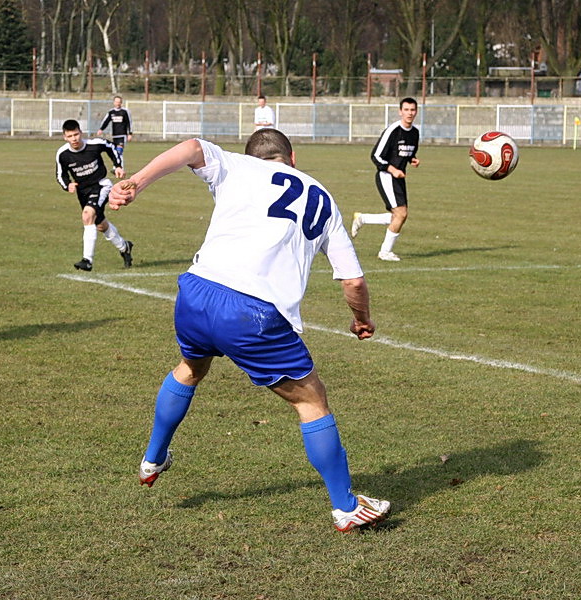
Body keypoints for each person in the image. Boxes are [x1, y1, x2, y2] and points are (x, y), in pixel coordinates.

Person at [108, 129, 391, 532]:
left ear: (252, 155)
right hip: (252, 312)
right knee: (312, 401)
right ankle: (346, 507)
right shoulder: (323, 198)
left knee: (190, 368)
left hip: (196, 291)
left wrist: (136, 182)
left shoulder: (235, 166)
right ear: (291, 157)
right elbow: (353, 282)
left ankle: (153, 458)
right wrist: (361, 318)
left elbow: (190, 148)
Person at [55, 119, 133, 271]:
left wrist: (117, 166)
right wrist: (67, 185)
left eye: (76, 134)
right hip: (83, 191)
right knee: (100, 225)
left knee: (87, 214)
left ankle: (87, 260)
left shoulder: (95, 144)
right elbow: (60, 174)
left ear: (81, 133)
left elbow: (111, 147)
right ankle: (125, 247)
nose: (74, 139)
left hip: (101, 185)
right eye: (70, 136)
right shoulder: (63, 154)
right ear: (65, 137)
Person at [350, 97, 420, 261]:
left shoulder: (415, 133)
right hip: (386, 176)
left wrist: (413, 159)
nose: (410, 113)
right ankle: (385, 252)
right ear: (400, 111)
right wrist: (393, 170)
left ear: (416, 112)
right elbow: (375, 156)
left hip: (398, 177)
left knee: (400, 216)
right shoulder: (393, 131)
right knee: (401, 214)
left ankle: (363, 218)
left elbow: (407, 152)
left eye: (413, 110)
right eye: (406, 110)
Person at [96, 95, 134, 167]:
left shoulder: (125, 112)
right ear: (114, 102)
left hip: (122, 135)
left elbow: (129, 122)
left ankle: (119, 167)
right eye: (116, 102)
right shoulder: (111, 112)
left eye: (119, 102)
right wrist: (101, 129)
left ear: (121, 103)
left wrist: (130, 133)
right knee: (115, 151)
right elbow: (106, 121)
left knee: (119, 151)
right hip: (115, 135)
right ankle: (116, 167)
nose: (118, 103)